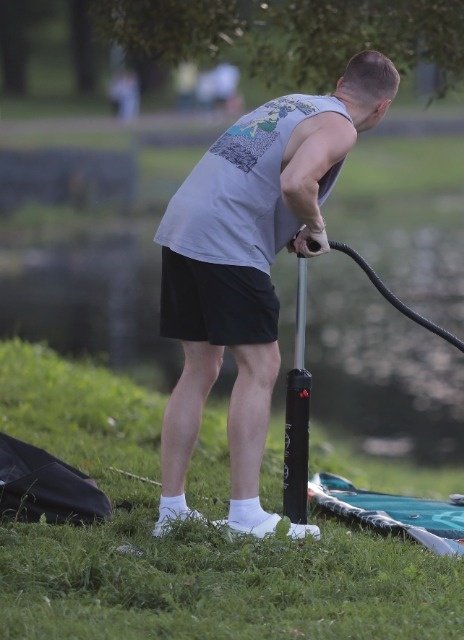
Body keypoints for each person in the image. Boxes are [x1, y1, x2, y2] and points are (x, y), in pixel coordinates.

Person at [152, 50, 401, 539]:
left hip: (183, 227)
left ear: (338, 81)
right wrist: (316, 224)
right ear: (382, 108)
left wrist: (289, 225)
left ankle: (172, 511)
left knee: (200, 368)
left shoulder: (292, 105)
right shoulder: (341, 127)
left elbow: (265, 175)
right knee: (262, 366)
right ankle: (245, 515)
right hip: (226, 241)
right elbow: (295, 181)